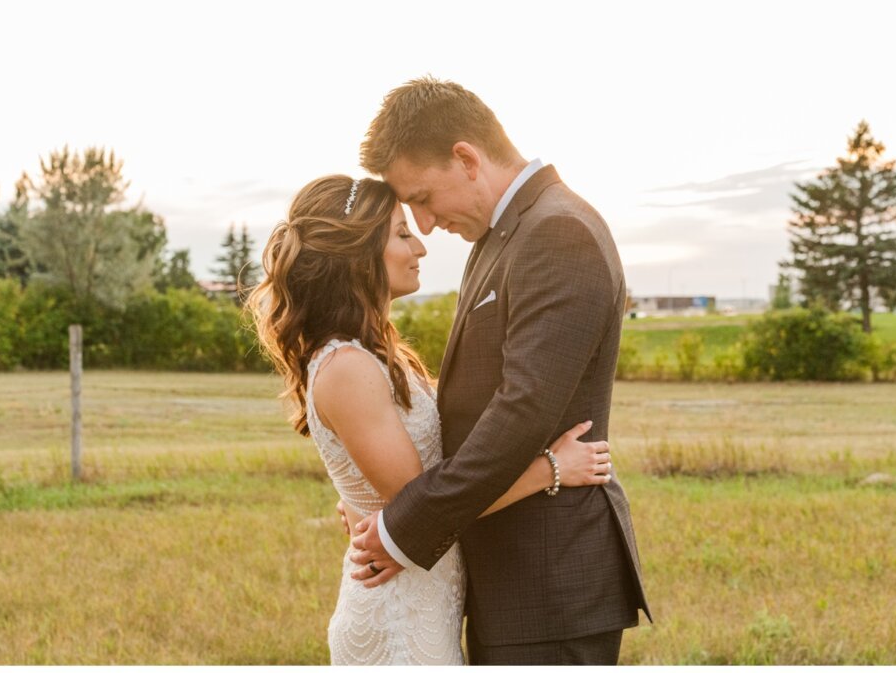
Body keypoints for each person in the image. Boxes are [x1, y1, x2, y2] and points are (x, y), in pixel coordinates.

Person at [247, 174, 615, 665]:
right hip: (396, 618)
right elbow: (421, 503)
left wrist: (358, 502)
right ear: (358, 255)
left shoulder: (380, 354)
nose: (419, 245)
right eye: (401, 234)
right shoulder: (348, 367)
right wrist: (550, 468)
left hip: (427, 600)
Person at [346, 77, 652, 665]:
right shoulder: (505, 234)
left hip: (550, 586)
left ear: (465, 158)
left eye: (424, 198)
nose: (426, 225)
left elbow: (523, 408)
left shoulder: (559, 231)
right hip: (509, 577)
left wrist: (403, 527)